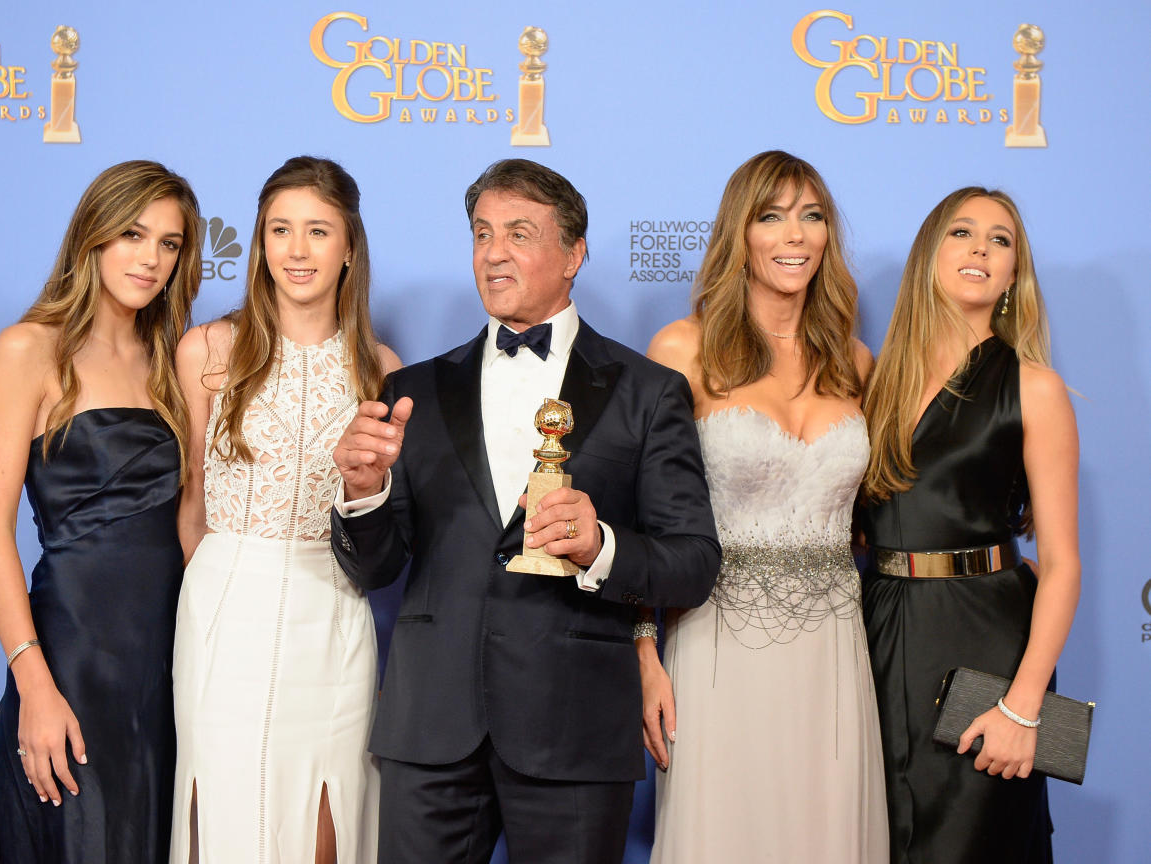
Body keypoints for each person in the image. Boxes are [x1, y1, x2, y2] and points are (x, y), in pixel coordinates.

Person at [329, 158, 719, 864]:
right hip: (431, 728)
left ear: (574, 254)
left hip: (572, 727)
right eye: (482, 234)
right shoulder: (410, 386)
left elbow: (692, 562)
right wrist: (363, 493)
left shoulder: (647, 391)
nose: (494, 252)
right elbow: (377, 568)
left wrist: (599, 544)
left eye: (518, 233)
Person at [640, 150, 888, 861]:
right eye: (772, 216)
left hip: (833, 651)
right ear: (739, 234)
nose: (795, 236)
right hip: (716, 645)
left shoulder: (855, 361)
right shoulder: (683, 349)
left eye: (811, 217)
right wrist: (642, 652)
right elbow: (640, 513)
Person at [0, 161, 202, 862]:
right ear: (92, 237)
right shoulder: (29, 348)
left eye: (170, 244)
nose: (151, 258)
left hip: (167, 662)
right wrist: (33, 684)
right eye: (133, 233)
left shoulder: (173, 361)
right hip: (72, 659)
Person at [169, 156, 397, 864]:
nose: (297, 251)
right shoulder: (208, 350)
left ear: (349, 246)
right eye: (280, 230)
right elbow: (192, 500)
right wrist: (215, 591)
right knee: (222, 805)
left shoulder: (380, 368)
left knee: (326, 810)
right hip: (224, 605)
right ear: (261, 242)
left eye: (318, 231)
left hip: (331, 608)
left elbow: (380, 521)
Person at [858, 187, 1079, 863]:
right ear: (931, 254)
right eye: (961, 232)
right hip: (878, 627)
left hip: (984, 636)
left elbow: (1063, 565)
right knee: (879, 833)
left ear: (1015, 275)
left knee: (976, 835)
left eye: (1001, 239)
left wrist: (1023, 705)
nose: (981, 247)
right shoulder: (873, 379)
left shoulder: (1034, 386)